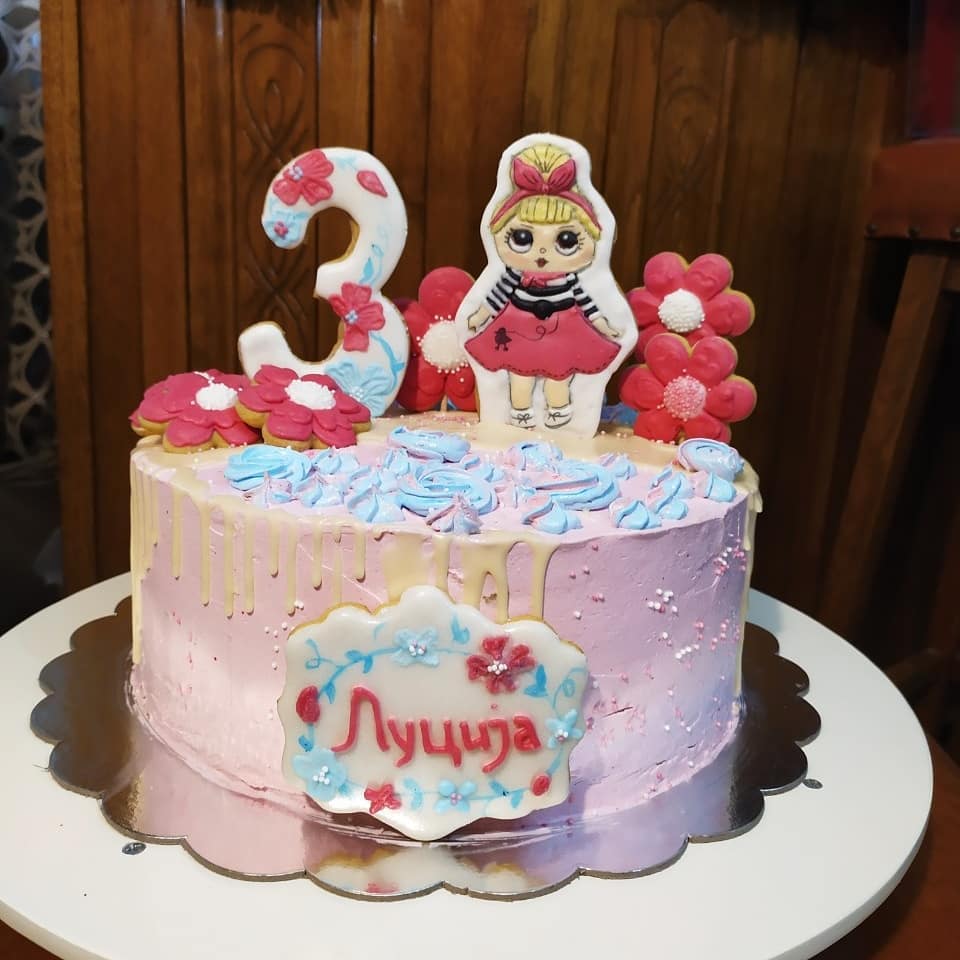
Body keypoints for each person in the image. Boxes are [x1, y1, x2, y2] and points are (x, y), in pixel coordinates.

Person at [465, 143, 621, 428]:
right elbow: (496, 297)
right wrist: (479, 316)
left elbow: (587, 304)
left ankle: (559, 413)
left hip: (564, 332)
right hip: (518, 331)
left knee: (559, 378)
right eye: (522, 238)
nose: (542, 253)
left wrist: (604, 325)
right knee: (519, 376)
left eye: (566, 240)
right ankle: (521, 412)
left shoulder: (570, 280)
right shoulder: (514, 277)